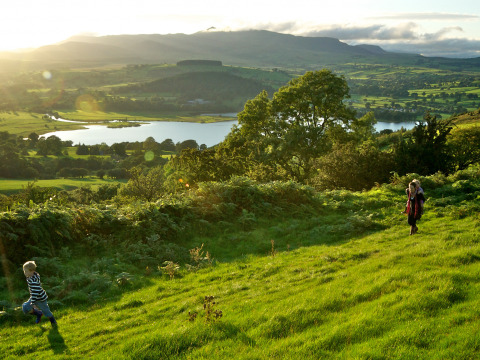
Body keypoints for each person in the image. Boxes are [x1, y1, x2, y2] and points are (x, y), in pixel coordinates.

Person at [22, 261, 57, 326]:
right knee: (25, 307)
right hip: (34, 297)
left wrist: (33, 303)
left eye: (26, 271)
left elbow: (36, 292)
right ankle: (38, 313)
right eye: (24, 271)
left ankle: (53, 322)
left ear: (32, 271)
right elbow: (34, 293)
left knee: (46, 312)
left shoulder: (34, 281)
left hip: (40, 298)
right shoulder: (31, 276)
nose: (25, 273)